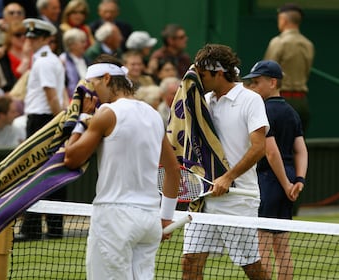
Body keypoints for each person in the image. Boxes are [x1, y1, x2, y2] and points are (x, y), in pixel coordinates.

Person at [63, 54, 180, 279]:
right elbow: (173, 171)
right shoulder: (154, 115)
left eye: (93, 84)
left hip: (114, 218)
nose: (92, 92)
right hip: (148, 221)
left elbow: (72, 158)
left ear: (107, 78)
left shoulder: (106, 114)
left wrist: (83, 117)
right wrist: (165, 217)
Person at [180, 44, 270, 279]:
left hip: (239, 199)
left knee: (251, 267)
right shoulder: (204, 101)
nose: (198, 80)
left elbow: (260, 147)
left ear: (218, 72)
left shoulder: (250, 100)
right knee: (190, 261)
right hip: (205, 198)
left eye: (202, 75)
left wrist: (228, 177)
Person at [242, 60, 308, 280]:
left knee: (262, 245)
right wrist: (298, 179)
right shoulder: (291, 112)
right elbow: (301, 150)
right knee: (281, 246)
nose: (252, 87)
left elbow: (270, 153)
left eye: (256, 82)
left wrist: (286, 183)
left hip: (271, 181)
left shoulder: (262, 110)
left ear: (272, 82)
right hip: (286, 178)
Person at [21, 18, 66, 239]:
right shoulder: (45, 59)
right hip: (45, 120)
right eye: (29, 37)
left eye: (34, 37)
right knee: (44, 173)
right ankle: (47, 228)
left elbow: (51, 95)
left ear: (45, 39)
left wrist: (59, 122)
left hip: (43, 121)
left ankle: (34, 229)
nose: (29, 41)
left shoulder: (44, 61)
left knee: (36, 174)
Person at [264, 3, 314, 134]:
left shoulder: (278, 42)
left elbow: (267, 72)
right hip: (302, 101)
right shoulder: (308, 44)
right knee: (298, 145)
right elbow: (307, 72)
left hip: (281, 101)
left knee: (278, 146)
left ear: (283, 20)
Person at [60, 28, 91, 99]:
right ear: (71, 45)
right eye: (82, 42)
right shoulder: (62, 60)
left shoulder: (86, 59)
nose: (85, 45)